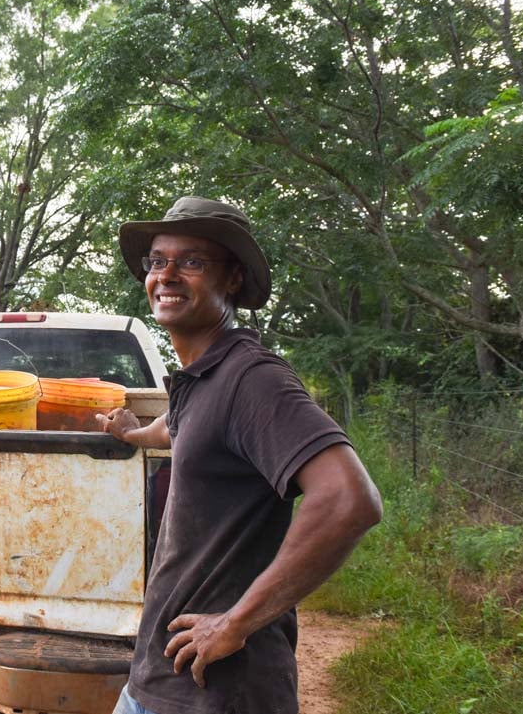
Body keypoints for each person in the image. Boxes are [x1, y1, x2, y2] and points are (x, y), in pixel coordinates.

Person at [98, 197, 383, 714]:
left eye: (192, 262)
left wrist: (235, 623)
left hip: (220, 692)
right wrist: (134, 432)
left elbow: (349, 500)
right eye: (158, 260)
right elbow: (182, 432)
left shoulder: (251, 379)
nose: (168, 275)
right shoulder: (202, 378)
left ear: (231, 280)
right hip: (158, 680)